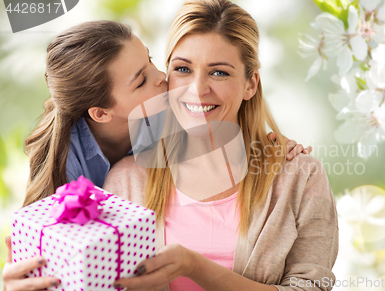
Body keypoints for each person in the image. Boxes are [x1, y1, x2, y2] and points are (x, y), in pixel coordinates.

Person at [2, 20, 310, 291]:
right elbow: (52, 266)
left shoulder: (167, 116)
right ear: (101, 113)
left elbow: (220, 117)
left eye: (150, 60)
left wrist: (267, 141)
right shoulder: (69, 166)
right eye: (141, 80)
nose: (163, 76)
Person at [103, 1, 339, 290]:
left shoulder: (300, 176)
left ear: (251, 84)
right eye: (183, 69)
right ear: (166, 77)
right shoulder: (125, 181)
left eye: (219, 73)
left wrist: (195, 266)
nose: (198, 90)